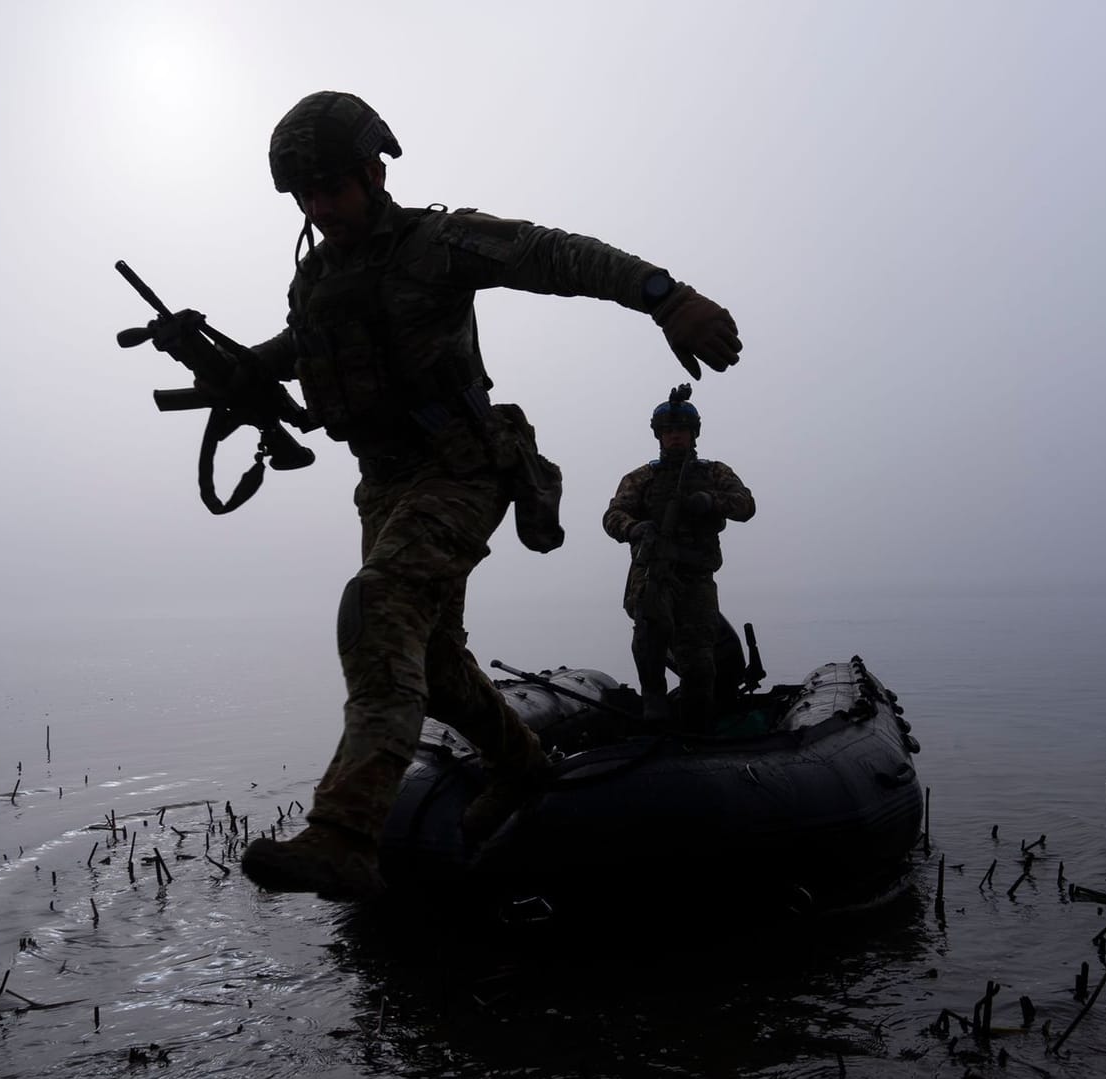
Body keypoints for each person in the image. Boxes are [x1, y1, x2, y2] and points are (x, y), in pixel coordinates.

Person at [217, 91, 743, 900]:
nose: (319, 209)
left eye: (331, 188)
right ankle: (521, 765)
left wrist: (666, 297)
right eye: (305, 196)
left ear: (372, 169)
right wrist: (246, 364)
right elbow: (309, 346)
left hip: (462, 466)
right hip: (383, 484)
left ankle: (345, 833)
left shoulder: (440, 241)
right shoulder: (320, 277)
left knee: (381, 601)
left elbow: (553, 254)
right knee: (433, 657)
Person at [602, 388, 755, 728]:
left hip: (696, 577)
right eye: (669, 431)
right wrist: (634, 528)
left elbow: (746, 505)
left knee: (700, 660)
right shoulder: (642, 477)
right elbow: (613, 516)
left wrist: (712, 501)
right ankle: (653, 704)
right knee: (649, 636)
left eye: (681, 431)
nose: (675, 437)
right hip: (653, 572)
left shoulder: (714, 472)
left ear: (692, 434)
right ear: (659, 435)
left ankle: (696, 725)